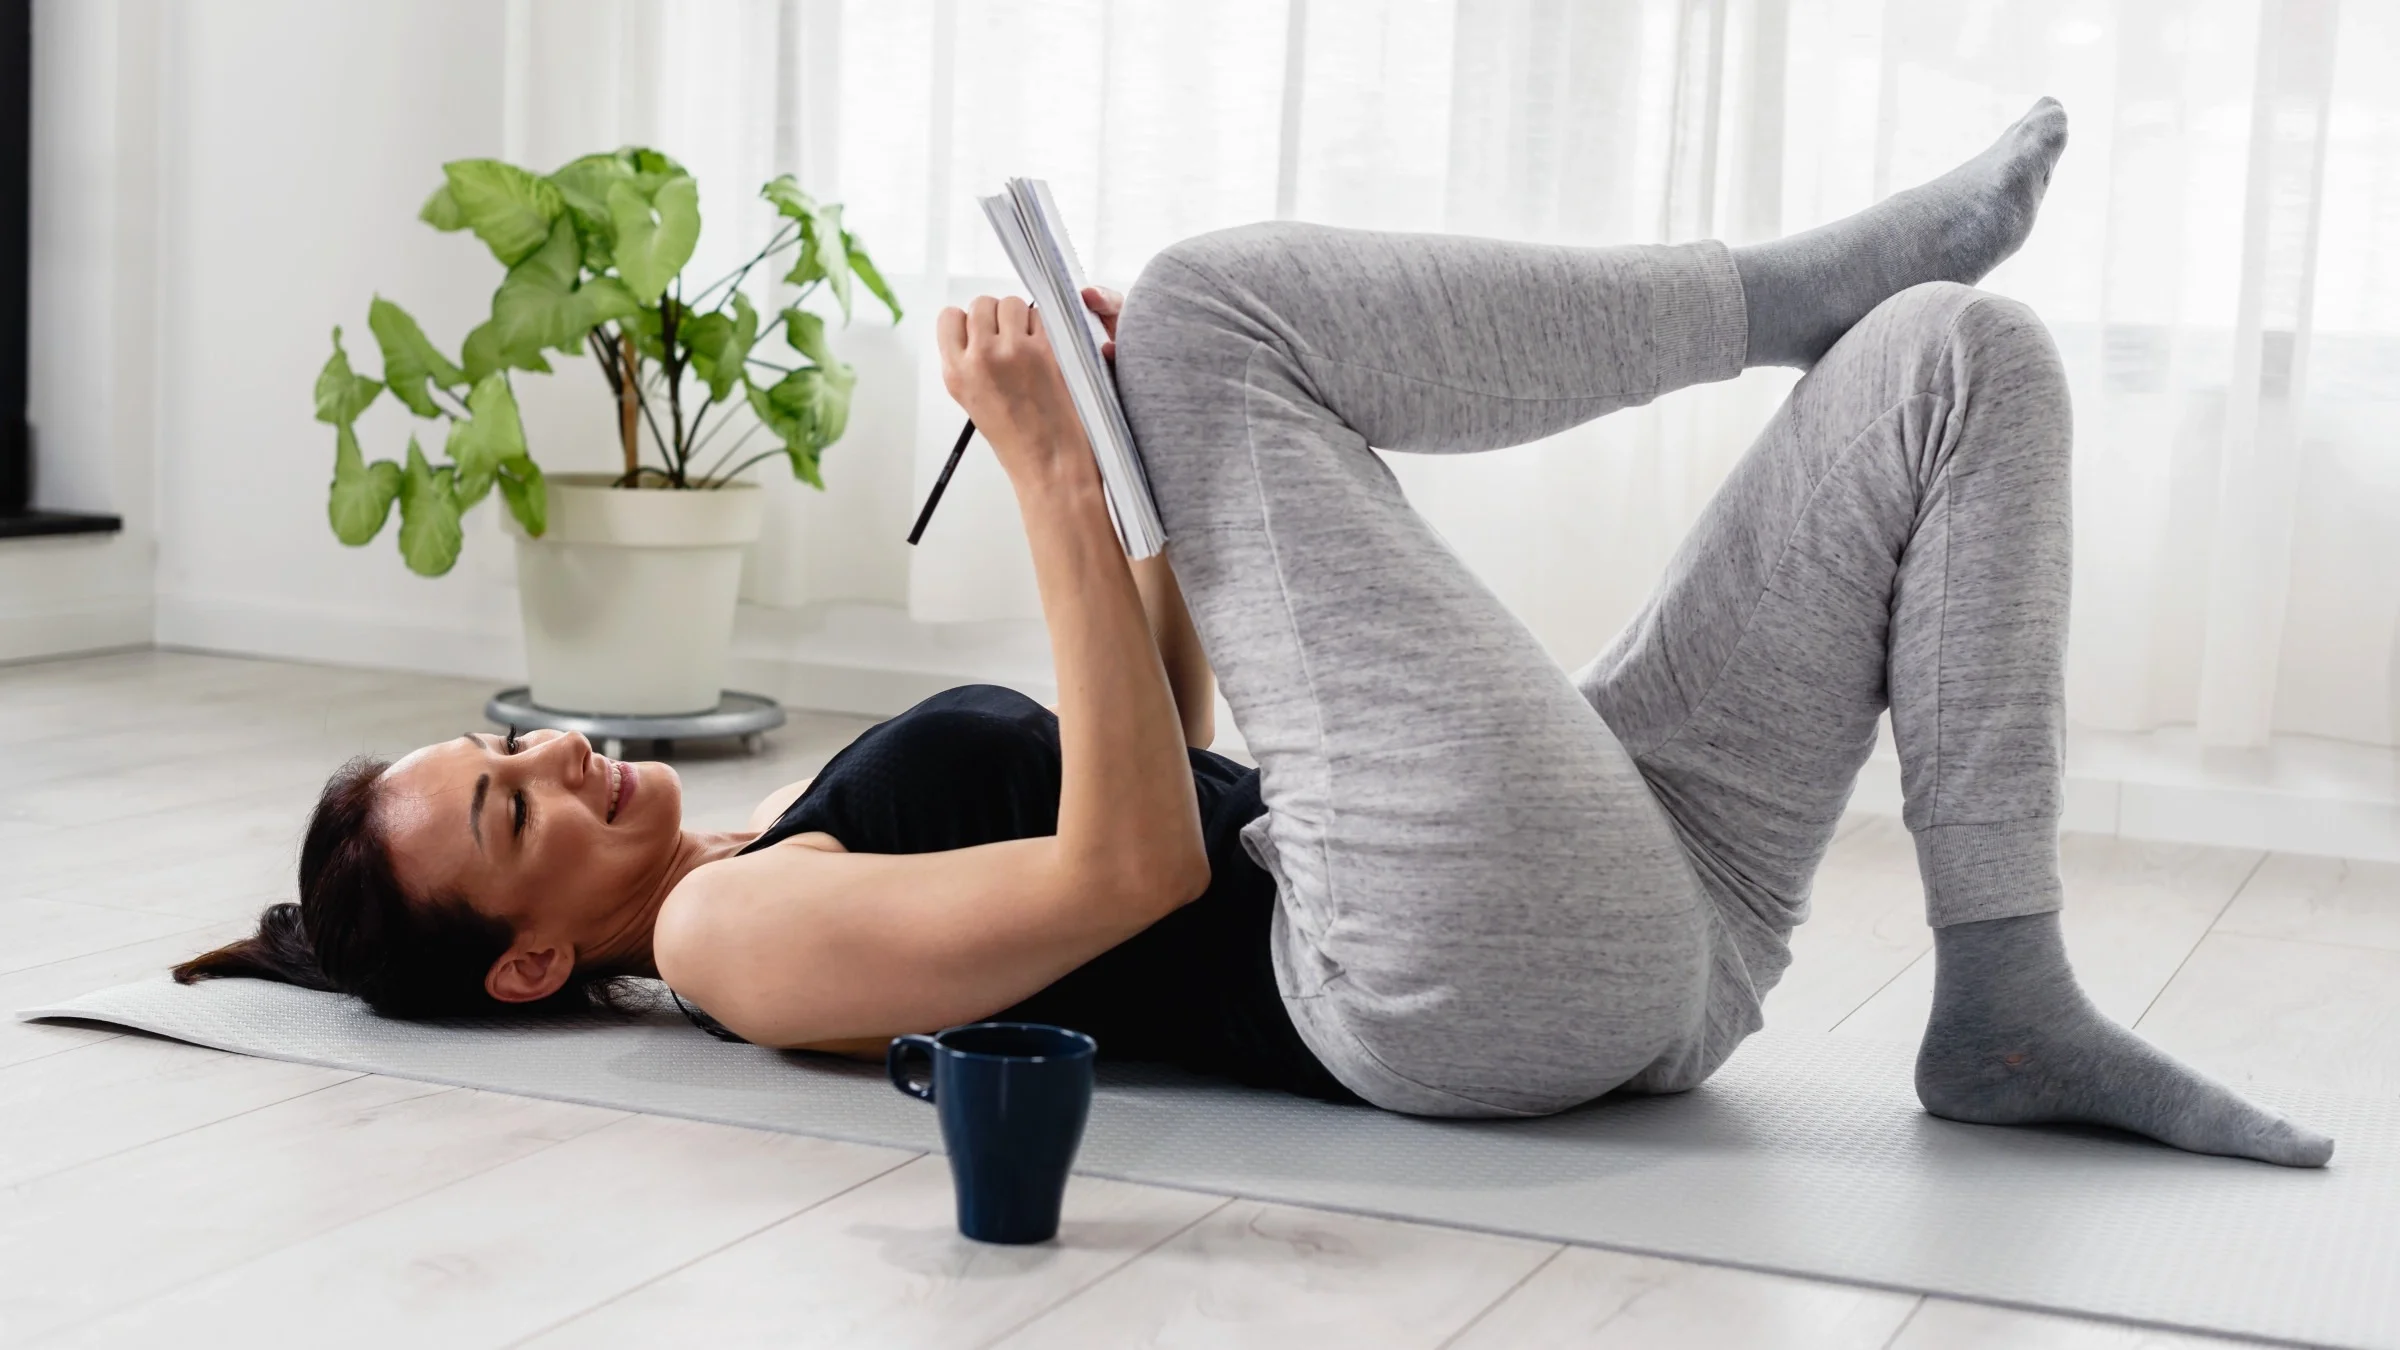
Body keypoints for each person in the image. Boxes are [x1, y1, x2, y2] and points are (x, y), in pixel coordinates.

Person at [178, 100, 2333, 1166]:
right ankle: (1764, 296)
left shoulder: (778, 848)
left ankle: (2010, 996)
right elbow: (1142, 876)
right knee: (1218, 312)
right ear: (541, 956)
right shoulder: (730, 954)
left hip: (1655, 932)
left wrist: (1142, 495)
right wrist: (1046, 471)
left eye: (513, 749)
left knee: (1963, 353)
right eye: (512, 814)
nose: (557, 764)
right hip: (1423, 979)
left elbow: (1165, 761)